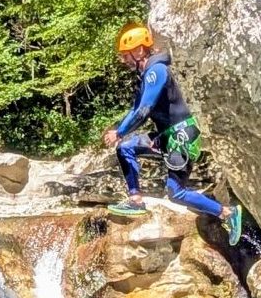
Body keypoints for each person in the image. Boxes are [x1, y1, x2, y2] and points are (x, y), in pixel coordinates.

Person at [103, 24, 246, 246]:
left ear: (140, 50)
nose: (123, 60)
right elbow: (135, 108)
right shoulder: (145, 76)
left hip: (182, 137)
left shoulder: (157, 72)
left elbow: (144, 110)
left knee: (175, 192)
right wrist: (119, 133)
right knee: (125, 147)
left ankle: (228, 213)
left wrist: (120, 131)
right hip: (166, 137)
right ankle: (135, 200)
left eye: (126, 55)